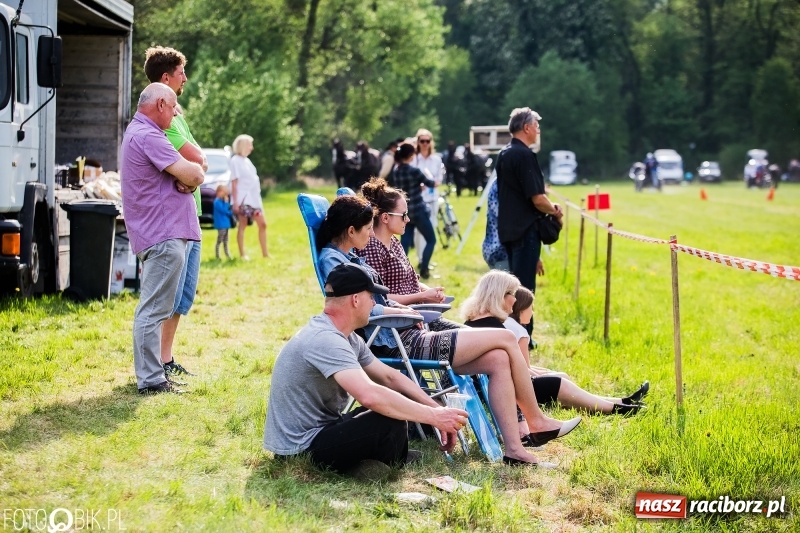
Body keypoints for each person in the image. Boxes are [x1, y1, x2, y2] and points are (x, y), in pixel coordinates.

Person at [317, 192, 581, 465]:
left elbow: (378, 297)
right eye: (367, 227)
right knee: (504, 337)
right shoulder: (335, 261)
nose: (371, 233)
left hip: (411, 328)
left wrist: (411, 305)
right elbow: (365, 307)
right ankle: (536, 421)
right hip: (397, 338)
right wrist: (405, 309)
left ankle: (515, 449)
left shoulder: (353, 257)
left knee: (499, 358)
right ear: (351, 230)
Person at [263, 263, 467, 473]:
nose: (373, 303)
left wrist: (436, 408)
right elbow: (369, 395)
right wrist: (433, 418)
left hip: (321, 431)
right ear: (356, 299)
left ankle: (379, 461)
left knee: (393, 408)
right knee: (389, 420)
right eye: (372, 296)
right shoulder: (325, 339)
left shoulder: (346, 336)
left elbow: (390, 377)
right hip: (299, 449)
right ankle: (378, 464)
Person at [461, 271, 649, 434]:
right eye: (512, 293)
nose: (516, 299)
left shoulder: (474, 321)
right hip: (498, 390)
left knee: (556, 382)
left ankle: (621, 402)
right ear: (499, 295)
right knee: (557, 382)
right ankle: (617, 408)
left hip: (492, 387)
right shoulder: (497, 328)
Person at [120, 83, 204, 394]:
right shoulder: (150, 136)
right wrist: (188, 179)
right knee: (154, 309)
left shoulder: (140, 133)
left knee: (156, 307)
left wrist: (185, 179)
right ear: (159, 105)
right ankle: (151, 380)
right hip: (164, 234)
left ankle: (155, 375)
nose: (174, 113)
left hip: (161, 233)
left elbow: (187, 177)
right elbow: (194, 174)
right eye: (171, 107)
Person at [144, 46, 207, 378]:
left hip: (190, 214)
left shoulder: (177, 115)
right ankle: (155, 363)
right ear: (166, 77)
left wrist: (196, 171)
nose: (186, 77)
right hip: (174, 220)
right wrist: (195, 169)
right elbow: (195, 161)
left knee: (184, 295)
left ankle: (166, 358)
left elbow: (200, 161)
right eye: (181, 72)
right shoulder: (163, 119)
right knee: (167, 296)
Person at [358, 178, 461, 331]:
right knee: (489, 345)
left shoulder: (393, 241)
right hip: (399, 325)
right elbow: (377, 298)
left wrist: (427, 290)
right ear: (385, 217)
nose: (408, 219)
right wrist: (422, 297)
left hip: (417, 318)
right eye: (403, 215)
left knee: (491, 346)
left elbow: (406, 281)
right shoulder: (371, 248)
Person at [495, 107, 562, 341]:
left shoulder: (504, 154)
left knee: (512, 288)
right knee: (523, 292)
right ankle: (523, 338)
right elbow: (537, 198)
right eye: (536, 125)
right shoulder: (524, 155)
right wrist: (556, 211)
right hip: (525, 232)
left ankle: (512, 335)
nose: (538, 130)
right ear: (526, 128)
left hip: (510, 231)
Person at [391, 142, 437, 279]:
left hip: (404, 212)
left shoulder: (396, 171)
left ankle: (401, 270)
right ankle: (424, 268)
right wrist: (422, 185)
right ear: (411, 155)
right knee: (431, 240)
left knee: (404, 243)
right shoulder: (414, 171)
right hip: (418, 210)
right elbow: (430, 183)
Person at [229, 134, 268, 259]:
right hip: (243, 200)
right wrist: (235, 202)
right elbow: (234, 183)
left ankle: (265, 254)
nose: (251, 148)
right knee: (243, 224)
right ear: (243, 145)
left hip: (254, 200)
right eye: (249, 144)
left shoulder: (247, 161)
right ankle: (242, 254)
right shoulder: (235, 160)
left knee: (263, 224)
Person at [412, 128, 444, 268]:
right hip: (418, 199)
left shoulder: (436, 159)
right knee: (419, 231)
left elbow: (439, 178)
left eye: (427, 141)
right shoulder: (414, 159)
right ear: (418, 142)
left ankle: (426, 259)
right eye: (422, 141)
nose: (425, 143)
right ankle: (420, 259)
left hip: (432, 197)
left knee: (432, 227)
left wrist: (433, 181)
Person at [213, 184, 234, 260]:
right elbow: (225, 210)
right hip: (221, 225)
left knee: (226, 240)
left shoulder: (222, 201)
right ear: (219, 192)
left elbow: (227, 209)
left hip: (226, 224)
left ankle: (227, 254)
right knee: (220, 240)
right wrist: (226, 203)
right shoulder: (217, 202)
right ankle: (217, 255)